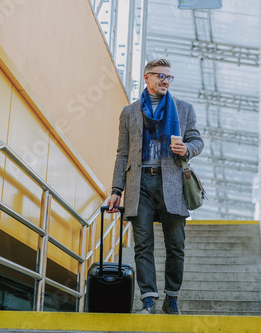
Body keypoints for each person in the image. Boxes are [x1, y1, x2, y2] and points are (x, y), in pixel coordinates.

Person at [107, 59, 203, 315]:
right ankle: (148, 300)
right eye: (160, 75)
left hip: (172, 182)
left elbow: (197, 140)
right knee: (143, 245)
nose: (165, 80)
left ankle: (171, 299)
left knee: (176, 245)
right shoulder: (129, 112)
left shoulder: (183, 109)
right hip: (140, 183)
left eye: (169, 77)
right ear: (147, 77)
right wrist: (117, 190)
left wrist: (188, 148)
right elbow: (122, 154)